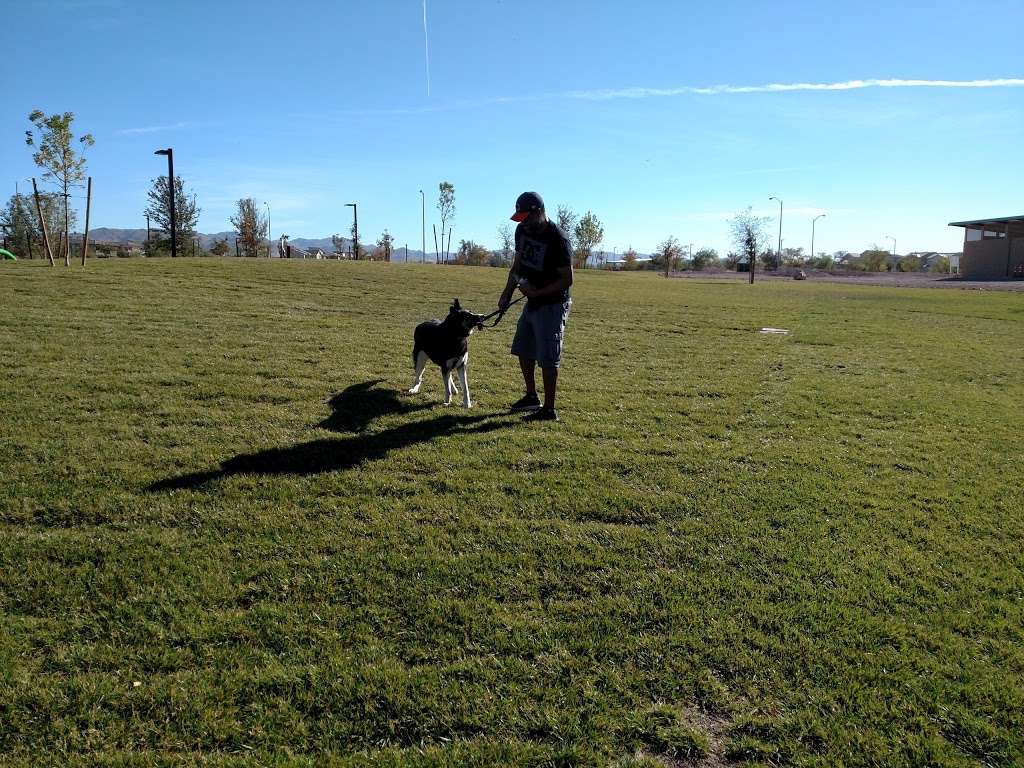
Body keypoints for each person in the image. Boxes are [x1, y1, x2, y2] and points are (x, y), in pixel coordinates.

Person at [497, 191, 573, 422]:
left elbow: (567, 279)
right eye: (520, 218)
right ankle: (531, 396)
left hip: (552, 304)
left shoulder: (558, 239)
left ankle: (549, 410)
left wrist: (537, 293)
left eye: (526, 218)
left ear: (539, 212)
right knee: (524, 348)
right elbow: (517, 265)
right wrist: (506, 293)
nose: (523, 223)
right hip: (531, 300)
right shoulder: (521, 231)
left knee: (548, 357)